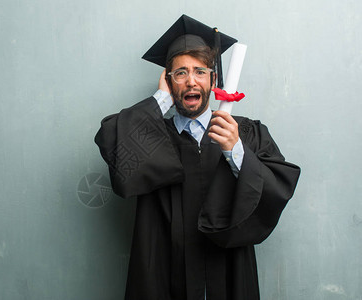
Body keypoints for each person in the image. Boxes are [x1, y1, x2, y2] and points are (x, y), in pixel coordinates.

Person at [94, 15, 300, 300]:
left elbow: (278, 189)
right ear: (168, 80)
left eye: (200, 71)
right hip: (164, 271)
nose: (191, 81)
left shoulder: (245, 132)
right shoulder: (150, 135)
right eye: (180, 73)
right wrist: (160, 100)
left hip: (228, 268)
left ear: (213, 79)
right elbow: (118, 155)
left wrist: (235, 150)